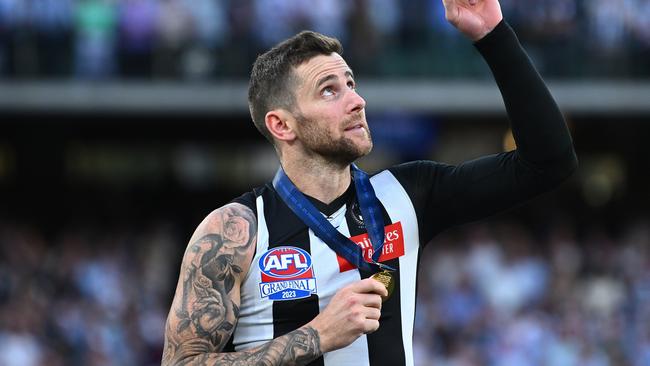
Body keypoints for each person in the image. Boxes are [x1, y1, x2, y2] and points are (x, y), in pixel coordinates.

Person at [161, 0, 578, 365]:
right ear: (282, 125)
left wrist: (493, 35)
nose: (356, 100)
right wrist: (318, 336)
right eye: (329, 91)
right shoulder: (236, 230)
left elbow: (549, 162)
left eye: (351, 84)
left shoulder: (408, 195)